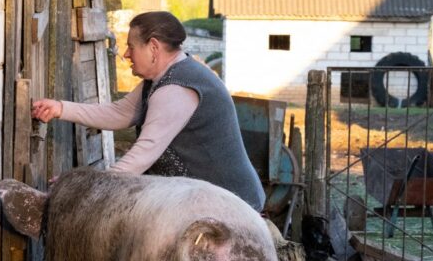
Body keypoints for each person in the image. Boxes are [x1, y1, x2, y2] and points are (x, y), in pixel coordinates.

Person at [31, 11, 265, 212]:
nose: (126, 54)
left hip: (232, 207)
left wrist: (82, 185)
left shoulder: (176, 89)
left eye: (131, 46)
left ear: (153, 47)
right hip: (203, 200)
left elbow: (141, 156)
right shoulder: (162, 79)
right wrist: (61, 108)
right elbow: (120, 113)